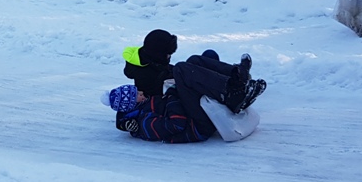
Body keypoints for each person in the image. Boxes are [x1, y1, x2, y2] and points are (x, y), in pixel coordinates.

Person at [106, 54, 266, 143]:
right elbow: (177, 124)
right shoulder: (144, 123)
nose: (141, 92)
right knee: (181, 70)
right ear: (131, 104)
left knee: (193, 61)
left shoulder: (145, 105)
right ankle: (233, 93)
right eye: (136, 95)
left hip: (192, 114)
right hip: (197, 126)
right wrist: (173, 95)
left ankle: (238, 77)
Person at [122, 29, 178, 98]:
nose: (169, 57)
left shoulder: (147, 58)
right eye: (168, 54)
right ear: (158, 55)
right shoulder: (147, 74)